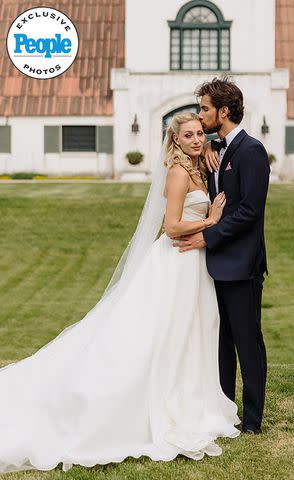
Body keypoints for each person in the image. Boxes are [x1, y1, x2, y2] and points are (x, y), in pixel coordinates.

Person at [0, 112, 241, 474]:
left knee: (191, 332)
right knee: (158, 335)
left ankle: (191, 397)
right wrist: (212, 220)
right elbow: (171, 226)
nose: (195, 140)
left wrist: (212, 156)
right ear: (175, 141)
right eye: (187, 135)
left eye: (198, 134)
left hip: (193, 266)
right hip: (175, 262)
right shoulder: (178, 173)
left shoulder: (198, 168)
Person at [172, 78, 270, 434]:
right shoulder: (216, 150)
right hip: (215, 266)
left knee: (248, 342)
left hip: (242, 265)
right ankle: (224, 411)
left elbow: (249, 211)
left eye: (205, 109)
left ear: (223, 112)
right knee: (221, 343)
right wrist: (212, 148)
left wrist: (206, 237)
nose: (201, 115)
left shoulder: (252, 151)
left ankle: (253, 421)